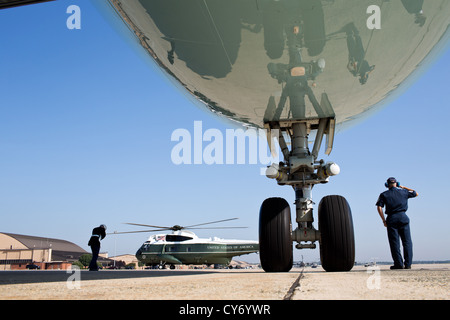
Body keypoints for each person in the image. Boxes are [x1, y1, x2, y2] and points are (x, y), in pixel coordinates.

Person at [376, 178, 418, 269]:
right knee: (407, 242)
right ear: (397, 183)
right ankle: (408, 264)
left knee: (394, 243)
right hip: (403, 217)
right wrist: (404, 187)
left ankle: (398, 264)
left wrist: (383, 220)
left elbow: (379, 207)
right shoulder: (403, 192)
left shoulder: (384, 194)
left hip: (392, 218)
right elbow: (415, 193)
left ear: (387, 185)